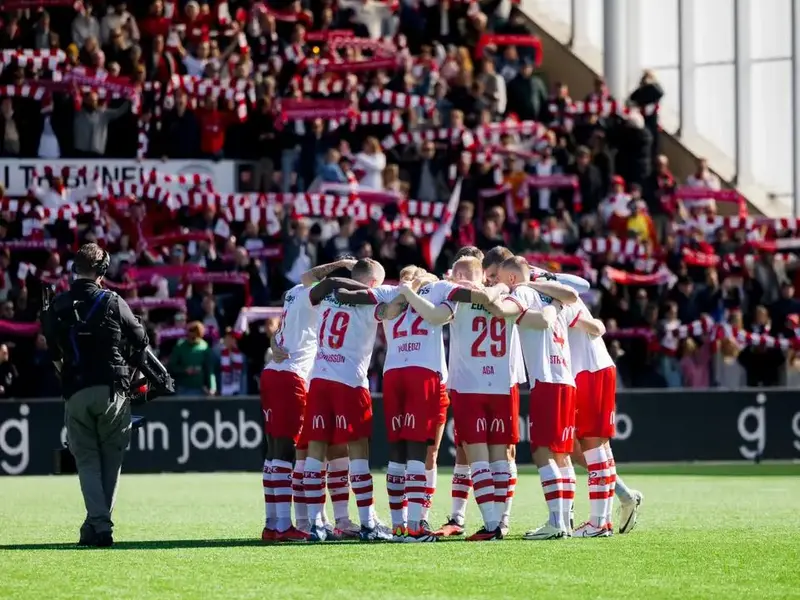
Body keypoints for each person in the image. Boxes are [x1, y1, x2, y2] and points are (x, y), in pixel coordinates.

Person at [398, 256, 524, 541]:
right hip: (502, 383)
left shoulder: (454, 295)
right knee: (500, 458)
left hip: (469, 385)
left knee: (477, 456)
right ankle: (500, 523)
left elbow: (435, 316)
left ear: (457, 275)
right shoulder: (506, 292)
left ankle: (491, 525)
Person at [41, 243, 148, 548]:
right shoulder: (113, 300)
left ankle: (95, 525)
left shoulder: (57, 304)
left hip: (75, 389)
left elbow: (52, 350)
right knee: (111, 460)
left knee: (86, 460)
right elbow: (141, 338)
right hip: (112, 388)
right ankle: (101, 525)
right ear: (101, 271)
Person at [259, 258, 365, 542]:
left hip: (274, 374)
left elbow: (312, 276)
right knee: (286, 453)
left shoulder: (294, 291)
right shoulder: (312, 296)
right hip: (293, 377)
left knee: (273, 454)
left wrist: (340, 263)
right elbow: (327, 283)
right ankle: (282, 526)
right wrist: (366, 288)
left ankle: (273, 524)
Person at [302, 258, 399, 542]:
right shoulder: (374, 296)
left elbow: (308, 279)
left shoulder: (327, 294)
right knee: (358, 454)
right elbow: (391, 309)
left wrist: (336, 271)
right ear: (372, 283)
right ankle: (369, 522)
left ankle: (315, 524)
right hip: (350, 382)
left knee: (315, 453)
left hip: (319, 379)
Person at [488, 256, 580, 540]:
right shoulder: (548, 293)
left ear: (512, 279)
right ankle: (563, 520)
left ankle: (556, 522)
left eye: (499, 278)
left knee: (542, 452)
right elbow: (574, 293)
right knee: (561, 455)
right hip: (565, 378)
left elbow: (509, 312)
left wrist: (493, 298)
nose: (496, 282)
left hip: (546, 380)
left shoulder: (523, 292)